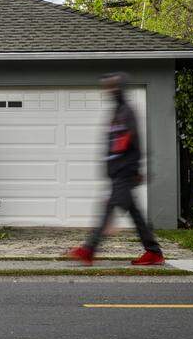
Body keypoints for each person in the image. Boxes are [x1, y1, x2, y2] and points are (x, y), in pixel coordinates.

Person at [67, 73, 165, 266]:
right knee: (134, 214)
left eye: (111, 86)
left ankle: (89, 249)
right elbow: (114, 143)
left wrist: (134, 169)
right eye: (106, 87)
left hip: (125, 172)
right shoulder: (118, 111)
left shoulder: (126, 112)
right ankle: (153, 252)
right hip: (119, 172)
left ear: (119, 88)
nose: (108, 90)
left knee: (109, 209)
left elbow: (132, 141)